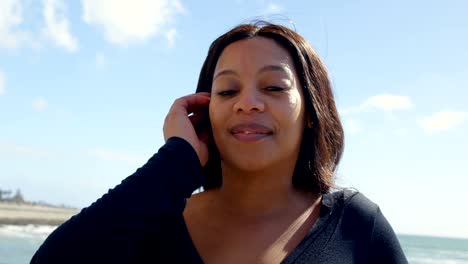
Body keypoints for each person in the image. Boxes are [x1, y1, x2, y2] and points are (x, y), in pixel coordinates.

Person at [31, 21, 408, 264]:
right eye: (227, 90)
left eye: (274, 87)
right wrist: (175, 163)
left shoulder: (357, 226)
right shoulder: (155, 222)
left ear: (312, 111)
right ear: (205, 111)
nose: (248, 102)